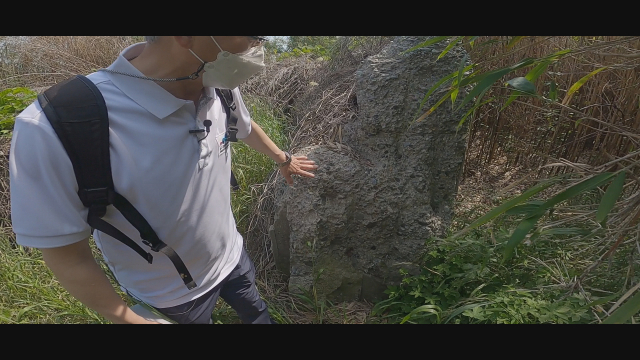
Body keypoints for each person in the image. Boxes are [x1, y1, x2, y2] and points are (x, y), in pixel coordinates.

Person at [9, 36, 318, 324]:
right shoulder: (55, 126)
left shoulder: (216, 79)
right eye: (252, 33)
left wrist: (283, 159)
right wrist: (131, 321)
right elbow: (67, 257)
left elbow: (243, 126)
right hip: (168, 294)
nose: (257, 46)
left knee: (257, 314)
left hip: (231, 257)